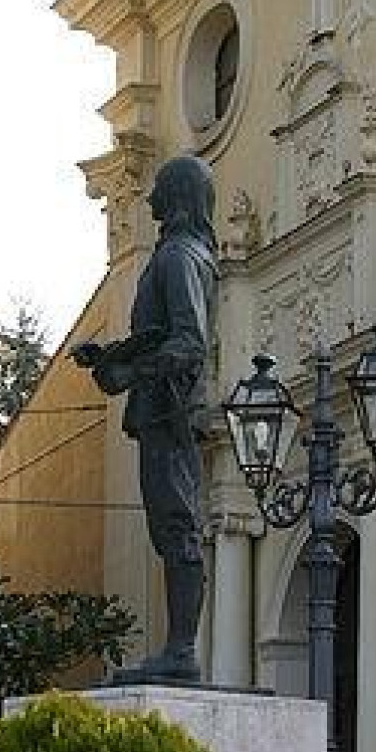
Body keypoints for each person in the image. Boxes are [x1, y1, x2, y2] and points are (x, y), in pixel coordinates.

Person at [72, 155, 217, 682]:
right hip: (165, 410)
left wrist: (131, 374)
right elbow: (159, 336)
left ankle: (181, 652)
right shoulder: (180, 254)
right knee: (171, 529)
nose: (150, 195)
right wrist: (112, 358)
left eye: (159, 187)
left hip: (170, 411)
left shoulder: (179, 256)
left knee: (178, 529)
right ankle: (178, 648)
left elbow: (187, 342)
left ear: (175, 196)